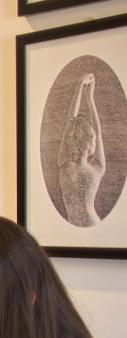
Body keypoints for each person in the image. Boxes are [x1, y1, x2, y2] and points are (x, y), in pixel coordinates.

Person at [57, 72, 106, 228]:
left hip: (73, 225)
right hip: (93, 223)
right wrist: (90, 98)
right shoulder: (97, 168)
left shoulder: (64, 167)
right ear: (91, 143)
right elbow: (98, 133)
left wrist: (79, 85)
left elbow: (69, 123)